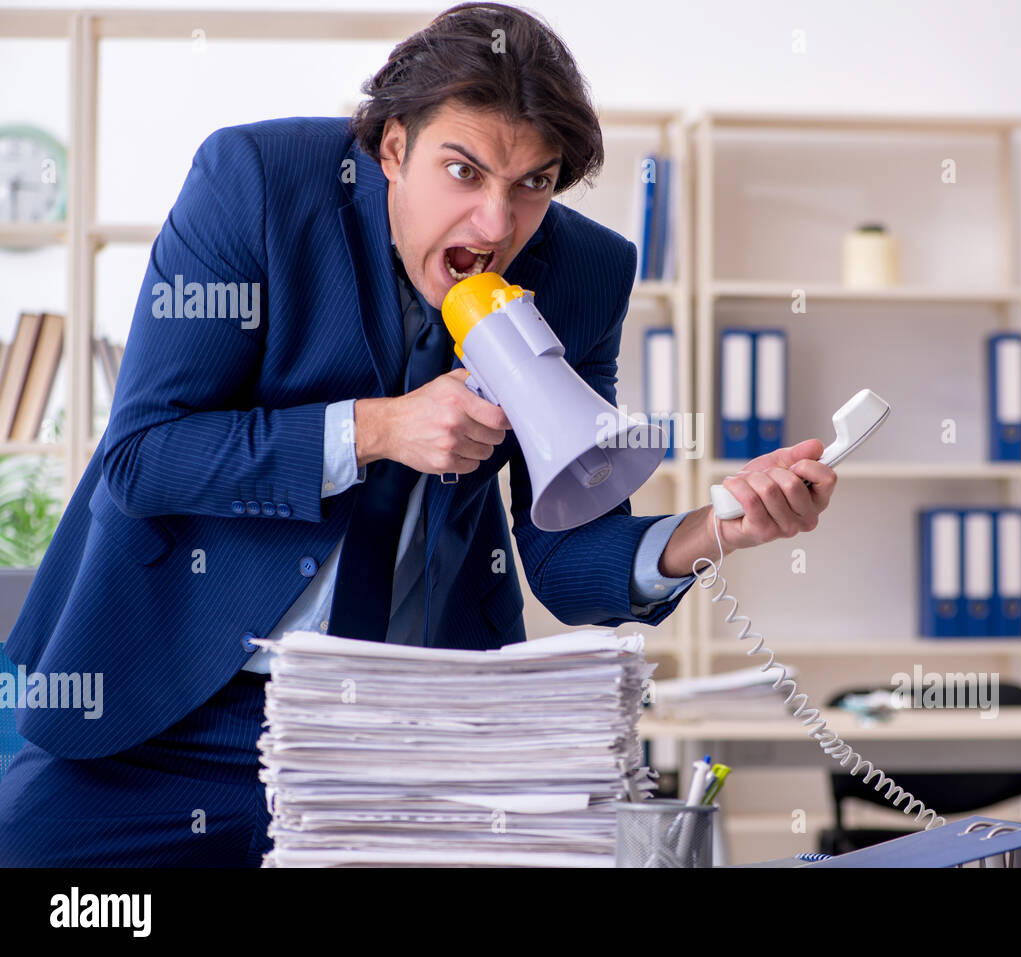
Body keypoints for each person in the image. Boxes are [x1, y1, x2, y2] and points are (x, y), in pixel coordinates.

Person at [0, 2, 836, 866]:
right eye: (464, 172)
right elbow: (143, 459)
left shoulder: (585, 272)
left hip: (411, 724)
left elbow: (564, 548)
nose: (495, 227)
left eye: (532, 185)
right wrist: (377, 430)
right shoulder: (254, 182)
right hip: (172, 702)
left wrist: (708, 530)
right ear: (392, 148)